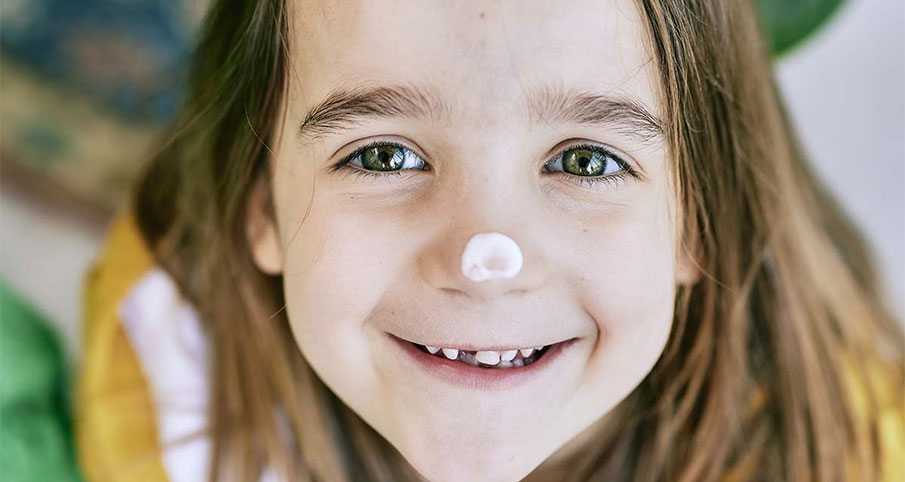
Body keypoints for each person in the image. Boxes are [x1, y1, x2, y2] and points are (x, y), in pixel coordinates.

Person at [75, 0, 905, 481]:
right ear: (261, 206)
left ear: (700, 221)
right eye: (383, 154)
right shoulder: (163, 362)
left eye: (585, 160)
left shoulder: (843, 447)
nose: (484, 261)